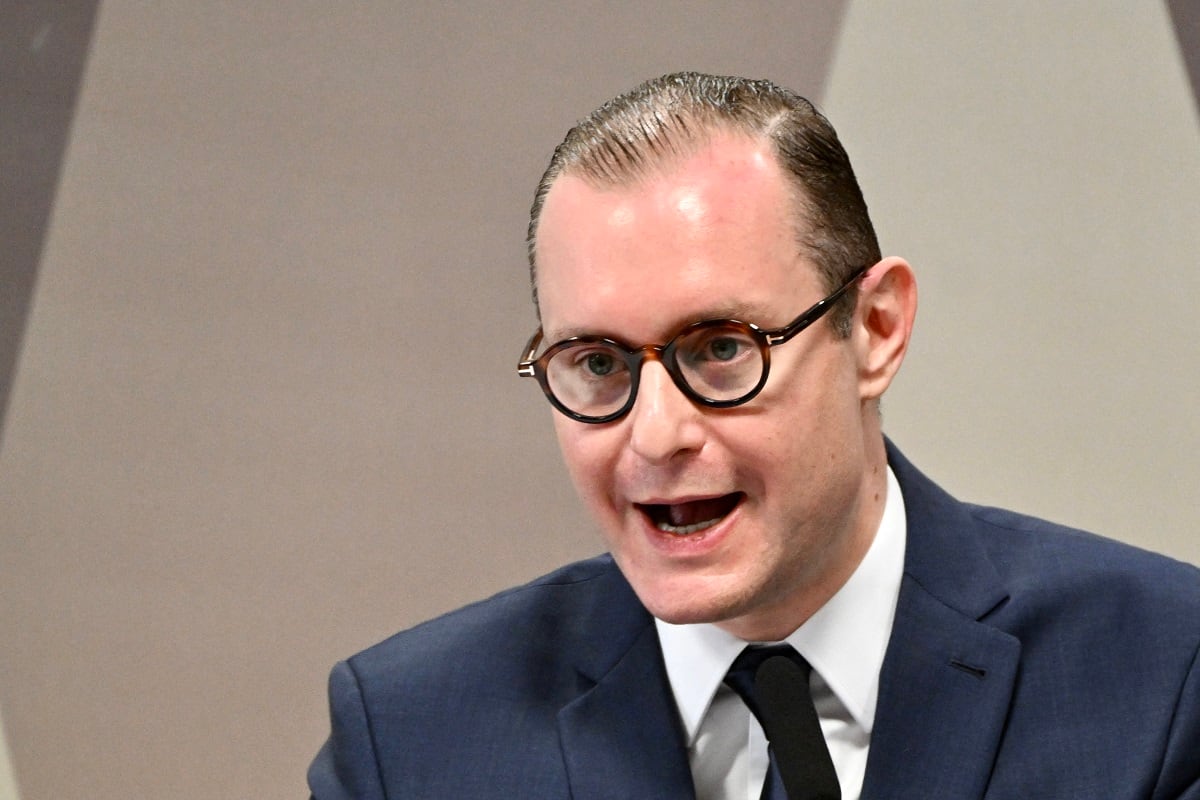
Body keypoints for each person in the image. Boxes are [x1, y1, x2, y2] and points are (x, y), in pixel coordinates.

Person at [307, 72, 1200, 800]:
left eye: (721, 349)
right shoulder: (409, 740)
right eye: (598, 363)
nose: (655, 436)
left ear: (876, 329)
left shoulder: (1165, 676)